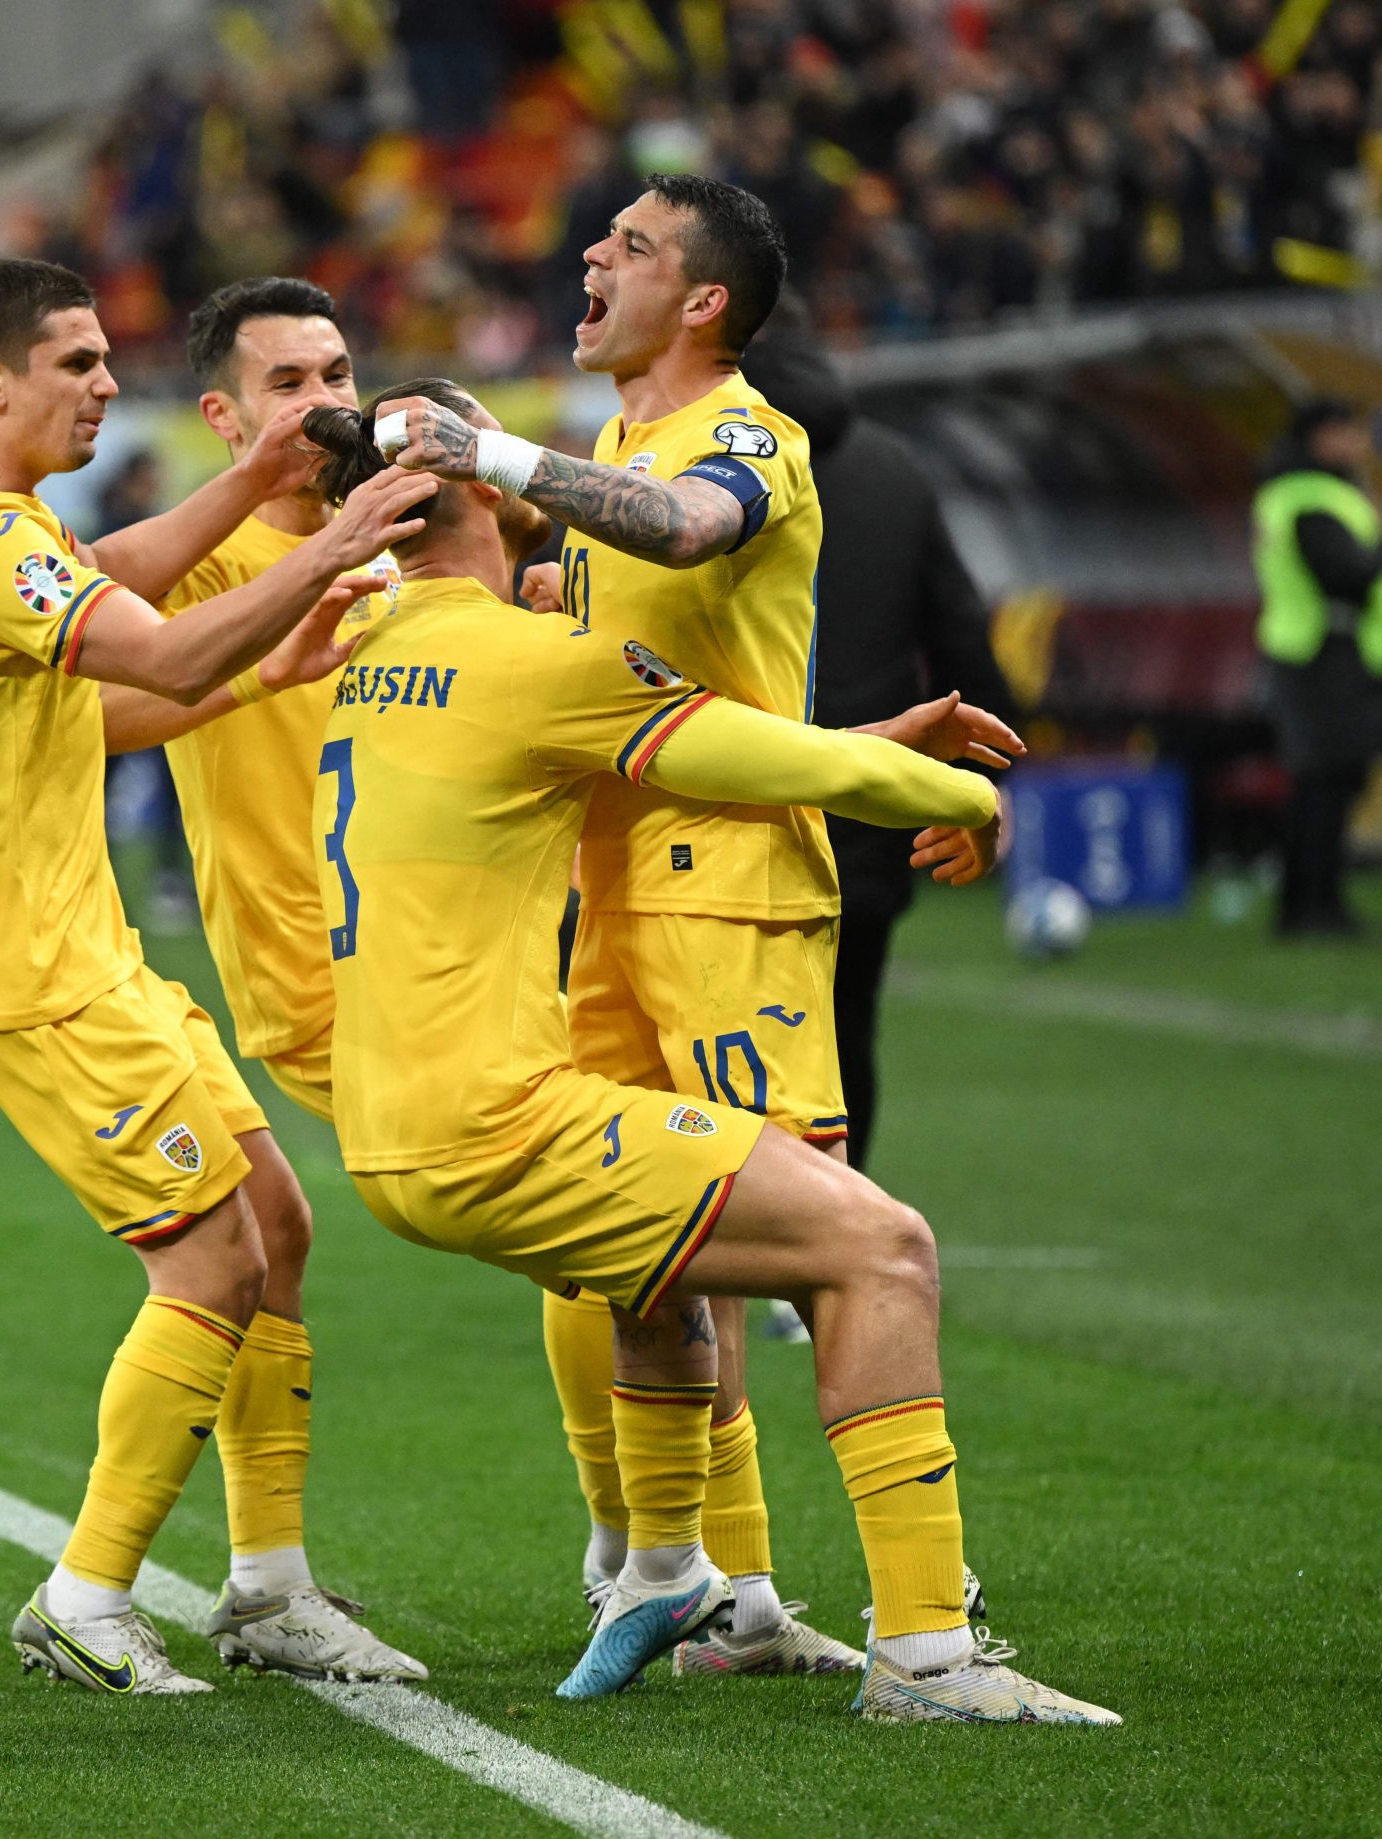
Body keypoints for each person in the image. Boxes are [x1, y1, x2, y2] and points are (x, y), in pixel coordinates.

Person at [303, 385, 1116, 1724]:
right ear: (491, 495)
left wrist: (850, 740)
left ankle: (673, 1567)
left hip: (393, 1130)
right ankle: (926, 1653)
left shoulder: (375, 642)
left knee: (669, 1246)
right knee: (879, 1245)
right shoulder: (539, 663)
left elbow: (713, 755)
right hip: (501, 1122)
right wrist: (972, 793)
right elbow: (757, 762)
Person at [0, 256, 435, 1693]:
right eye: (76, 362)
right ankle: (87, 1589)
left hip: (79, 945)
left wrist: (262, 609)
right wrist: (337, 535)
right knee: (210, 1255)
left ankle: (268, 1586)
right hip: (29, 968)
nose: (107, 383)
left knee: (275, 1225)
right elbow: (165, 659)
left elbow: (99, 643)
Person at [440, 175, 862, 1673]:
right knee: (635, 1231)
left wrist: (492, 453)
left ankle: (931, 1617)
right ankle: (699, 1578)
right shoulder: (616, 439)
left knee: (818, 1240)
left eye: (627, 244)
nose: (588, 255)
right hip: (612, 890)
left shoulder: (743, 432)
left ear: (702, 301)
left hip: (734, 883)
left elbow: (691, 535)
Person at [746, 319, 1019, 1167]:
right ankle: (834, 1237)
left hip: (736, 789)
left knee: (721, 1036)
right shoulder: (894, 470)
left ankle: (733, 1251)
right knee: (847, 1023)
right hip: (869, 798)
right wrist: (994, 762)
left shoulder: (713, 473)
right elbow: (960, 626)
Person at [1252, 397, 1382, 938]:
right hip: (1323, 654)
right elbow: (1345, 575)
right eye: (1348, 429)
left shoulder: (1296, 491)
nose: (1359, 440)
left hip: (1313, 653)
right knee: (1326, 782)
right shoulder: (1312, 496)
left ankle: (1305, 905)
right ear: (1321, 435)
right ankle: (1315, 908)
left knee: (1321, 782)